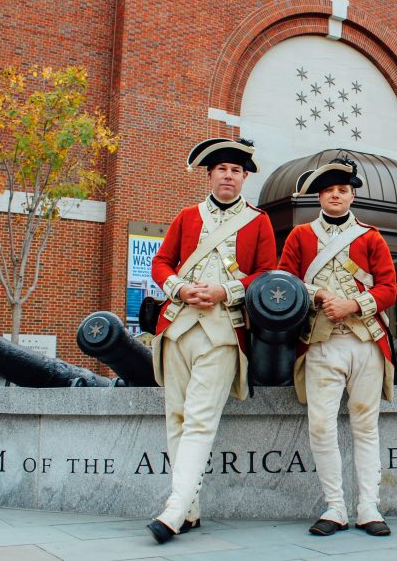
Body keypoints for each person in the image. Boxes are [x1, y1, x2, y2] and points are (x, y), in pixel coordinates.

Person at [147, 138, 277, 543]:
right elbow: (161, 262)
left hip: (222, 330)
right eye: (221, 169)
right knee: (177, 420)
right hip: (178, 326)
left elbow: (267, 273)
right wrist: (180, 290)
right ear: (210, 175)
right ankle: (190, 508)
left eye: (236, 171)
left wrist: (226, 291)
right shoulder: (187, 217)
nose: (228, 175)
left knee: (200, 420)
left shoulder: (258, 221)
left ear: (244, 179)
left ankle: (172, 509)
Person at [278, 156, 397, 537]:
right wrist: (319, 295)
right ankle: (334, 507)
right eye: (329, 190)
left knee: (366, 426)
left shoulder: (371, 236)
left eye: (342, 190)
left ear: (351, 196)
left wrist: (354, 304)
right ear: (320, 197)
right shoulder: (299, 236)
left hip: (364, 343)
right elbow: (285, 282)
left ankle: (368, 507)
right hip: (320, 342)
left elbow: (388, 289)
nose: (335, 196)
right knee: (321, 427)